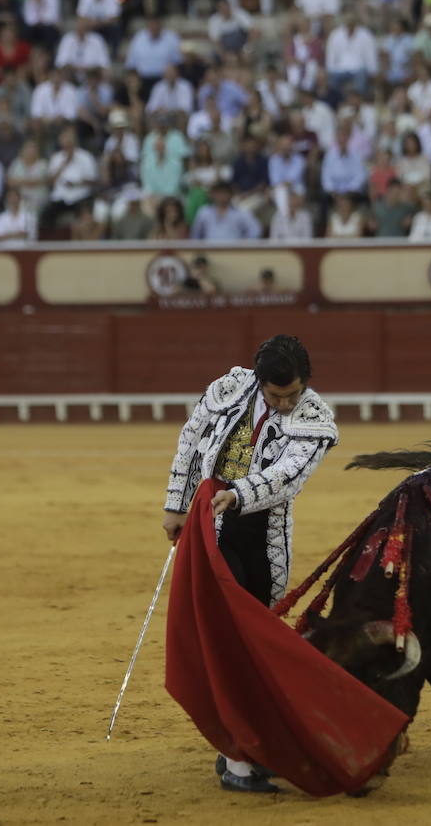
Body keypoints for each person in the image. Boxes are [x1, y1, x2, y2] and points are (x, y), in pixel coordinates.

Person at [161, 333, 338, 796]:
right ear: (258, 382)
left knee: (253, 639)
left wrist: (238, 494)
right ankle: (240, 761)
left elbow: (287, 477)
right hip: (210, 529)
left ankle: (236, 749)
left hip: (262, 538)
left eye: (292, 394)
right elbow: (192, 439)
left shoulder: (315, 418)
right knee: (230, 641)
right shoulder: (231, 387)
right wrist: (175, 505)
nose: (283, 403)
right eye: (275, 395)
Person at [191, 182, 262, 241]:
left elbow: (255, 231)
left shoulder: (241, 212)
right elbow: (196, 234)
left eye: (224, 192)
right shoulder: (204, 212)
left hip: (234, 252)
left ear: (231, 194)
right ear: (212, 195)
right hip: (209, 252)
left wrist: (245, 246)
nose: (221, 196)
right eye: (218, 193)